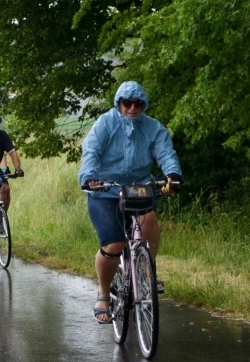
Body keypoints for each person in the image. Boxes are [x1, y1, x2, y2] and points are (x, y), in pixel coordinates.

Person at [78, 81, 182, 324]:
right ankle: (104, 293)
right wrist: (90, 177)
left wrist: (173, 175)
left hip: (139, 187)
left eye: (138, 104)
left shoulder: (152, 127)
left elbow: (165, 152)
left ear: (143, 105)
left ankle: (147, 270)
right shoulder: (106, 123)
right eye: (127, 103)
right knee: (113, 243)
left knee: (150, 220)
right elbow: (91, 150)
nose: (132, 108)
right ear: (119, 103)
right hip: (105, 190)